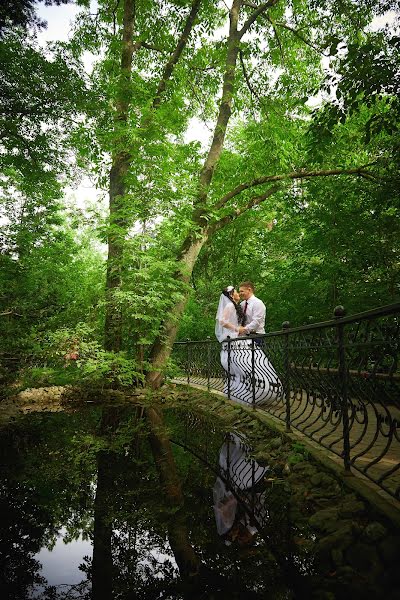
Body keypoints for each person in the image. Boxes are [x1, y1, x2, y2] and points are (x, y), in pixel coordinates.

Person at [215, 283, 282, 405]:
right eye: (238, 292)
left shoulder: (257, 303)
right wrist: (238, 330)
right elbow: (225, 321)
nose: (240, 294)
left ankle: (262, 391)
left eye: (241, 291)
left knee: (257, 365)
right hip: (242, 338)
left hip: (255, 336)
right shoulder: (238, 305)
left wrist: (242, 330)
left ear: (249, 290)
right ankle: (248, 392)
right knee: (244, 366)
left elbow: (256, 322)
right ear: (231, 295)